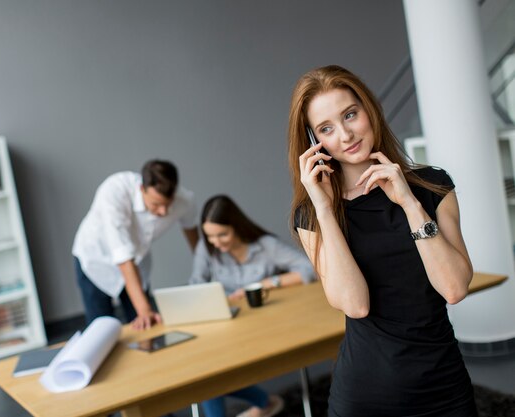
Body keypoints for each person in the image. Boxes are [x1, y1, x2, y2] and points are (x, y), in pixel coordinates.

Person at [288, 65, 477, 416]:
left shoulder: (432, 186)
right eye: (326, 128)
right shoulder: (313, 215)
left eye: (350, 115)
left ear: (368, 110)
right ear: (315, 142)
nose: (345, 135)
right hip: (366, 394)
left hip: (444, 387)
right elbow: (355, 305)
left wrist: (409, 203)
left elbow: (454, 288)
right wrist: (325, 209)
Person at [190, 195, 314, 417]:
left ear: (237, 227)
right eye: (210, 237)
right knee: (206, 376)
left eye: (222, 234)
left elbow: (310, 269)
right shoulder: (207, 248)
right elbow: (196, 286)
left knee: (209, 378)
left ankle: (265, 402)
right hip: (229, 331)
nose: (216, 242)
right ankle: (265, 402)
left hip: (266, 330)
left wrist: (266, 283)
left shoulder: (266, 246)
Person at [72, 159, 198, 330]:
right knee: (102, 328)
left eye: (168, 204)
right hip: (96, 260)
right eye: (156, 204)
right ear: (142, 188)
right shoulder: (115, 191)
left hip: (137, 263)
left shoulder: (184, 200)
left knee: (147, 325)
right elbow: (124, 259)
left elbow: (193, 236)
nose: (163, 212)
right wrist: (144, 310)